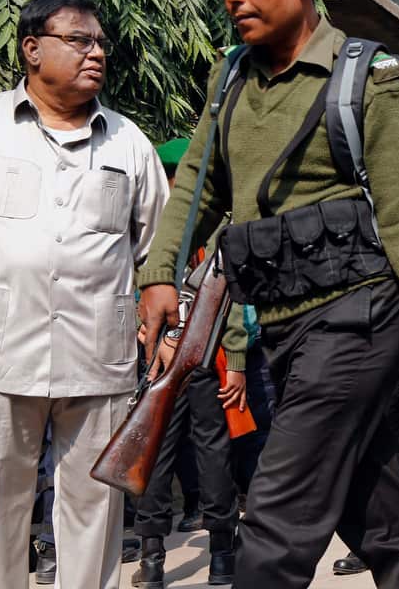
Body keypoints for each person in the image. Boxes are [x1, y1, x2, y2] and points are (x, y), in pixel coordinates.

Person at [133, 0, 399, 588]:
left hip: (355, 323)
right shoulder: (230, 77)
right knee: (380, 519)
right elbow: (199, 185)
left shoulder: (367, 77)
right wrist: (159, 271)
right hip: (283, 327)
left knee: (275, 525)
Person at [0, 0, 168, 589]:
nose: (96, 53)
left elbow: (160, 252)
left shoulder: (129, 143)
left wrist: (168, 326)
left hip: (99, 360)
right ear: (32, 48)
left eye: (101, 43)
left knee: (94, 514)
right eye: (79, 40)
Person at [130, 138, 244, 588]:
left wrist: (149, 335)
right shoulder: (217, 231)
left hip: (176, 359)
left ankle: (153, 558)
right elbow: (234, 302)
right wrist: (235, 359)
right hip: (204, 358)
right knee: (210, 452)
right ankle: (221, 556)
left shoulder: (151, 233)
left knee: (157, 450)